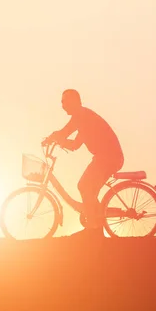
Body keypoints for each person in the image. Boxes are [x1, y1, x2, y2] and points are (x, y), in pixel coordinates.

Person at [44, 89, 124, 238]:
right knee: (90, 191)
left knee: (84, 186)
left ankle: (92, 229)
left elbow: (65, 132)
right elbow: (74, 144)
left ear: (74, 101)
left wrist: (53, 137)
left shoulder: (81, 116)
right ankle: (96, 228)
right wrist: (57, 139)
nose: (62, 105)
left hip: (108, 157)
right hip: (105, 157)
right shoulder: (84, 117)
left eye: (64, 101)